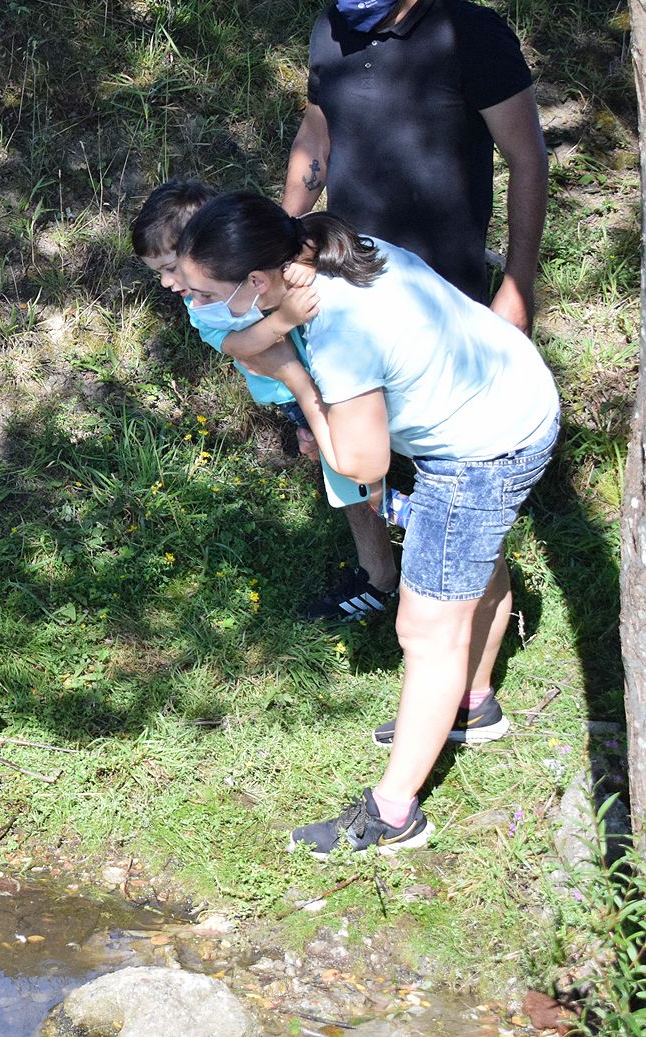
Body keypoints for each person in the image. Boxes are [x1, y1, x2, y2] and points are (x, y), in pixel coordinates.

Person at [176, 193, 558, 855]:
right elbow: (245, 343)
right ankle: (471, 705)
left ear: (258, 281)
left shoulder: (340, 332)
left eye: (205, 290)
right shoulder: (327, 250)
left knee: (425, 625)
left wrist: (296, 381)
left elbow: (359, 460)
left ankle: (394, 813)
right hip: (508, 395)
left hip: (479, 450)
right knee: (472, 563)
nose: (193, 299)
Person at [133, 180, 399, 621]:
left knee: (358, 463)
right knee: (348, 475)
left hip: (344, 375)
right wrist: (285, 320)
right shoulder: (203, 302)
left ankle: (396, 540)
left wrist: (305, 265)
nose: (166, 283)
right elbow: (237, 345)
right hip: (304, 390)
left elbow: (306, 246)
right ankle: (382, 564)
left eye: (169, 268)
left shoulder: (253, 262)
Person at [284, 0, 549, 333]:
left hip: (445, 295)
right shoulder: (328, 28)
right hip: (347, 283)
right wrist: (285, 233)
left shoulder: (473, 36)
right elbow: (316, 132)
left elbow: (527, 158)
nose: (346, 0)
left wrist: (519, 284)